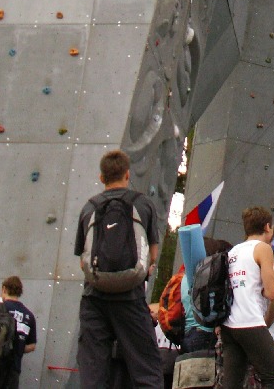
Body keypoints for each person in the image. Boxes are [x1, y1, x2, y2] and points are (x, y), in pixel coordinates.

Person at [74, 149, 163, 389]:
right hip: (131, 297)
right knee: (147, 370)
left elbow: (83, 260)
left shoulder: (89, 208)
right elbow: (152, 254)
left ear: (101, 177)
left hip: (94, 298)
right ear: (127, 174)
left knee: (93, 373)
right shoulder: (142, 204)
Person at [218, 205, 274, 389]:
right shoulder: (263, 248)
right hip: (250, 321)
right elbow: (273, 292)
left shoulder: (233, 252)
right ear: (267, 227)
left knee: (232, 384)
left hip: (229, 325)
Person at [0, 276, 36, 388]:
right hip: (14, 369)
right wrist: (17, 347)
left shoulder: (0, 308)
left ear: (4, 289)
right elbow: (32, 346)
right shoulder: (29, 315)